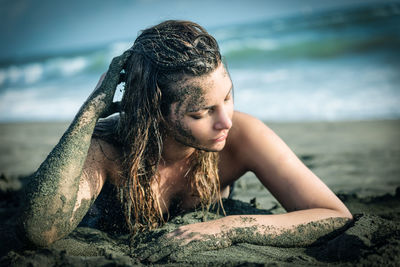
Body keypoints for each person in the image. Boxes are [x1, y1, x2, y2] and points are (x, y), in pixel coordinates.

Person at [18, 20, 352, 251]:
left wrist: (228, 228)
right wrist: (89, 113)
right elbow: (39, 229)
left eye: (227, 97)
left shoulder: (242, 136)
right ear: (155, 112)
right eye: (200, 112)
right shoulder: (107, 151)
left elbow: (334, 215)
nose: (226, 121)